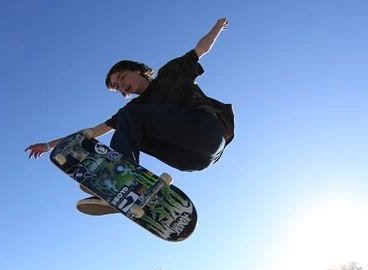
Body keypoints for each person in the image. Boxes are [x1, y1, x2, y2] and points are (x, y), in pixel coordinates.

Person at [25, 18, 235, 216]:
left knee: (129, 118)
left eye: (122, 77)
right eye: (117, 86)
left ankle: (120, 178)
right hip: (192, 160)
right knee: (129, 126)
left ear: (138, 70)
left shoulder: (171, 72)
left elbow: (202, 49)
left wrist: (217, 26)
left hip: (207, 132)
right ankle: (126, 190)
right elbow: (92, 132)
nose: (122, 85)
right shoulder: (135, 111)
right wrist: (49, 145)